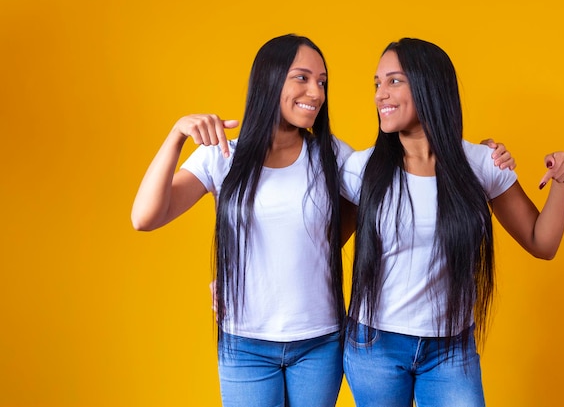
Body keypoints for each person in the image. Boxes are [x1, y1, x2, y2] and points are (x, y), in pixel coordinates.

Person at [131, 33, 515, 407]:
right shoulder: (221, 157)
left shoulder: (331, 156)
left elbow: (369, 212)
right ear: (268, 79)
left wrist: (477, 157)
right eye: (302, 78)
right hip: (244, 343)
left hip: (320, 341)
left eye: (322, 82)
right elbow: (146, 217)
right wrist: (177, 135)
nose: (316, 92)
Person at [340, 38, 564, 407]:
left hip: (451, 350)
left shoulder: (482, 163)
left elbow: (541, 242)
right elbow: (315, 248)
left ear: (429, 85)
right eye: (377, 83)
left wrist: (561, 183)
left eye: (393, 81)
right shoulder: (363, 169)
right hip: (376, 346)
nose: (380, 95)